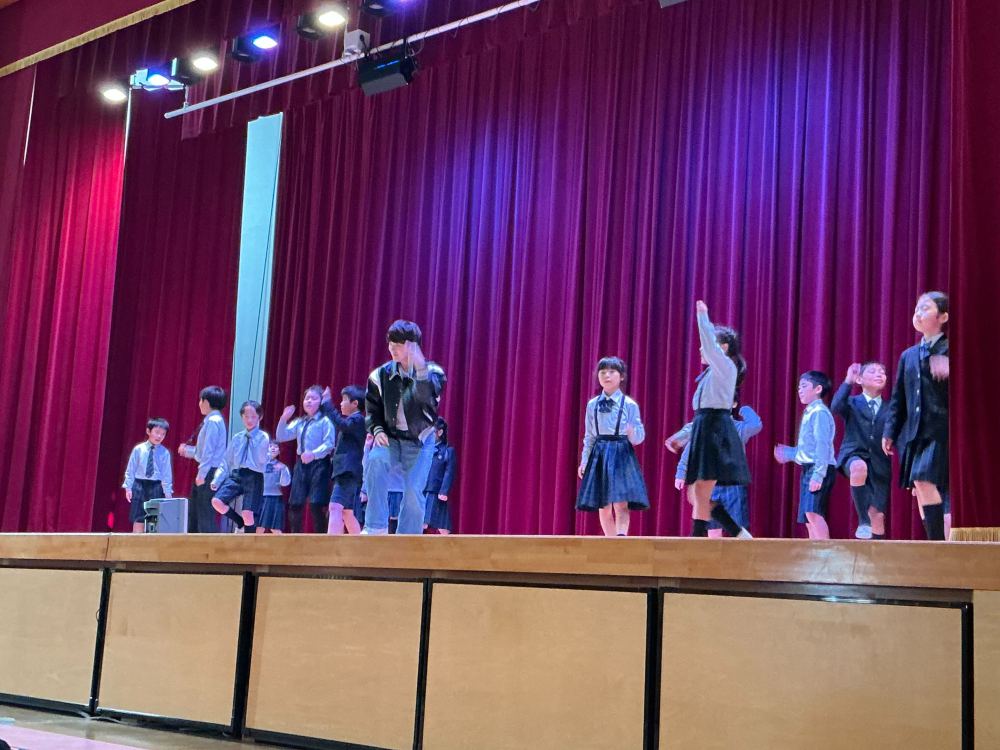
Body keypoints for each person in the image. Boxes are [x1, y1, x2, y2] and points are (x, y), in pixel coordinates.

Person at [669, 301, 750, 537]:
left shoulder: (726, 366)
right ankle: (738, 532)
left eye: (709, 345)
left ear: (722, 347)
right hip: (706, 428)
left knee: (700, 491)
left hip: (715, 431)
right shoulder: (711, 374)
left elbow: (710, 413)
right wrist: (682, 436)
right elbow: (701, 414)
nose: (701, 349)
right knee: (695, 494)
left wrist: (703, 317)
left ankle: (698, 542)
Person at [364, 320, 446, 534]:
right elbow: (372, 409)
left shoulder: (434, 372)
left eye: (398, 344)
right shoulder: (379, 375)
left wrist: (420, 369)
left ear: (413, 346)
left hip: (420, 440)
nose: (392, 348)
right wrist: (377, 430)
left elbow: (424, 399)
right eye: (390, 343)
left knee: (412, 492)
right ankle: (375, 527)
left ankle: (407, 539)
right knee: (375, 461)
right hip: (390, 437)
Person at [884, 291, 950, 540]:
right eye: (917, 308)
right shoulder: (908, 355)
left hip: (940, 430)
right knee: (919, 487)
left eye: (925, 308)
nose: (918, 313)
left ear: (943, 317)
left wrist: (950, 371)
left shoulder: (951, 349)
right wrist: (890, 431)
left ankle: (937, 544)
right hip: (914, 433)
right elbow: (899, 398)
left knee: (923, 479)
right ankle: (934, 543)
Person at [575, 356, 649, 536]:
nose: (606, 375)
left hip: (621, 452)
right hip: (600, 453)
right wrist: (584, 461)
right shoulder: (592, 405)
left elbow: (639, 437)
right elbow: (589, 436)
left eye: (611, 371)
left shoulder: (629, 405)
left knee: (621, 503)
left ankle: (621, 539)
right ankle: (610, 542)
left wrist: (631, 432)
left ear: (621, 376)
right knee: (604, 505)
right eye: (602, 372)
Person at [672, 402, 760, 537]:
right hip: (710, 480)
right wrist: (681, 473)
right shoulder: (705, 426)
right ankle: (713, 549)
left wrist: (745, 410)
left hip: (732, 484)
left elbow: (755, 425)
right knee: (712, 526)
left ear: (733, 404)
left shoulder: (738, 428)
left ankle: (742, 545)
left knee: (738, 522)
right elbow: (690, 450)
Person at [775, 371, 837, 539]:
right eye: (798, 387)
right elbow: (808, 449)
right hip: (809, 467)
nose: (799, 390)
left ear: (818, 389)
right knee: (807, 518)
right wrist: (790, 453)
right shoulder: (810, 411)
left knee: (813, 512)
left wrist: (818, 474)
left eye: (804, 386)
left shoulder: (819, 412)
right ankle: (813, 552)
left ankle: (824, 551)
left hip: (819, 468)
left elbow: (822, 445)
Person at [832, 362, 890, 540]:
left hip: (880, 463)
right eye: (872, 371)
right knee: (858, 467)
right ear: (860, 380)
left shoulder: (891, 407)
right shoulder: (852, 402)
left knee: (877, 515)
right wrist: (848, 381)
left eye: (882, 372)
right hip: (854, 454)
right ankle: (863, 521)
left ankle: (876, 553)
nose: (879, 374)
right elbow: (836, 406)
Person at [277, 385, 335, 533]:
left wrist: (313, 454)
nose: (309, 401)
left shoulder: (325, 421)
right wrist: (284, 418)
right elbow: (281, 436)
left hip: (319, 464)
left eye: (313, 398)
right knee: (295, 504)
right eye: (307, 398)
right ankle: (295, 539)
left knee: (316, 504)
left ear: (321, 401)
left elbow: (329, 444)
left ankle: (320, 540)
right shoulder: (300, 422)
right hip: (301, 465)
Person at [211, 400, 269, 533]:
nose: (249, 420)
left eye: (253, 417)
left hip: (254, 475)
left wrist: (265, 452)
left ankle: (249, 539)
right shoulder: (237, 438)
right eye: (246, 416)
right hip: (237, 474)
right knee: (217, 501)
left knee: (247, 513)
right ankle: (239, 522)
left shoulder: (263, 437)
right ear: (242, 417)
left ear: (259, 417)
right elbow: (226, 461)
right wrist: (217, 479)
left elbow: (262, 461)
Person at [177, 386, 228, 533]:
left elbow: (208, 452)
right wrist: (187, 451)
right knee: (196, 511)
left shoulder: (213, 421)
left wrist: (201, 475)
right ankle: (194, 543)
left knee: (204, 513)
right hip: (209, 470)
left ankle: (209, 545)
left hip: (209, 472)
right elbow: (204, 451)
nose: (199, 403)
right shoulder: (214, 420)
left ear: (206, 402)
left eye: (201, 400)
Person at [321, 385, 367, 534]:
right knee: (347, 512)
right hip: (346, 471)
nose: (340, 403)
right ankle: (360, 545)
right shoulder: (354, 420)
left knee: (335, 507)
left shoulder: (358, 419)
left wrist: (328, 405)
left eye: (344, 400)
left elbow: (342, 425)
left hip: (347, 471)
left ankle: (331, 545)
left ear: (355, 404)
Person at [122, 417, 173, 533]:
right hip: (139, 485)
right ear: (148, 431)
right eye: (157, 432)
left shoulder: (165, 453)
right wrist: (128, 487)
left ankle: (150, 541)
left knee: (153, 518)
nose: (159, 436)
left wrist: (168, 493)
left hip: (156, 486)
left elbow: (166, 475)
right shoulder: (139, 449)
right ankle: (136, 540)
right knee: (138, 517)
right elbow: (131, 469)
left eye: (163, 434)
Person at [423, 418, 458, 534]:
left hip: (437, 491)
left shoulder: (447, 451)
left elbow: (449, 472)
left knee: (442, 524)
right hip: (423, 489)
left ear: (440, 432)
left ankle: (446, 542)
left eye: (431, 432)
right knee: (421, 521)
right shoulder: (424, 449)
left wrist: (444, 491)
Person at [258, 439, 292, 533]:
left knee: (275, 528)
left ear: (279, 451)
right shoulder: (260, 463)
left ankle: (282, 543)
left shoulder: (282, 466)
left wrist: (283, 470)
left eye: (276, 447)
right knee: (259, 527)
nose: (273, 448)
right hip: (261, 497)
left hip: (276, 497)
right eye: (270, 446)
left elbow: (285, 483)